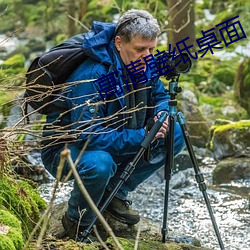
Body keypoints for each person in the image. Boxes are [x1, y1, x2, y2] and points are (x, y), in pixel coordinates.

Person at [41, 9, 185, 241]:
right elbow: (87, 135)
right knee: (100, 164)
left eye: (152, 49)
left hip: (117, 136)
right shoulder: (92, 75)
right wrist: (142, 135)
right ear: (119, 42)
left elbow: (159, 95)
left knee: (175, 132)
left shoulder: (142, 62)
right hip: (67, 150)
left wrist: (161, 114)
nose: (148, 56)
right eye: (140, 49)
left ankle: (115, 193)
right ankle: (76, 221)